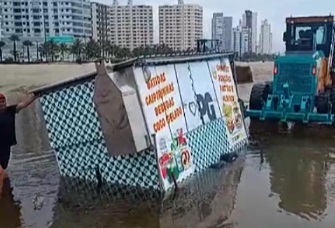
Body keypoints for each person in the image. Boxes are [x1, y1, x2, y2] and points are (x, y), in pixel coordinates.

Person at [0, 92, 37, 191]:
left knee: (4, 168)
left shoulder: (10, 110)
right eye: (0, 103)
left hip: (6, 145)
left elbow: (23, 104)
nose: (2, 105)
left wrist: (34, 96)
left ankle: (6, 191)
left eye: (3, 102)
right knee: (1, 171)